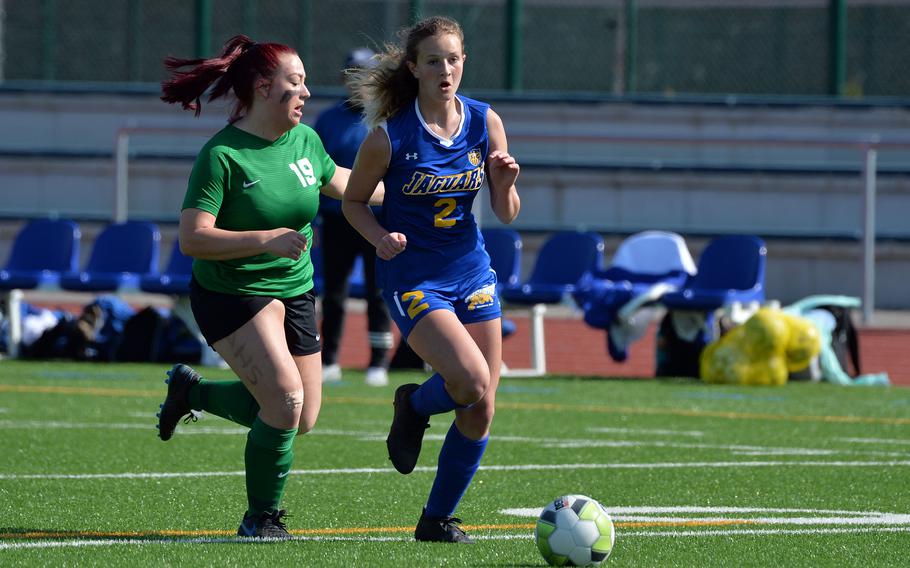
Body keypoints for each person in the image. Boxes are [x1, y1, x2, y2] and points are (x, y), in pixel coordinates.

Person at [156, 34, 381, 539]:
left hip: (295, 288)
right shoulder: (222, 156)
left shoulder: (304, 140)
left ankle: (193, 393)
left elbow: (344, 183)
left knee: (302, 419)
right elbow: (193, 238)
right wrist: (264, 239)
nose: (305, 93)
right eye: (294, 82)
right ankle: (261, 517)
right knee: (283, 401)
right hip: (231, 293)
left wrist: (417, 190)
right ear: (262, 88)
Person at [343, 16, 521, 543]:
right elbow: (353, 202)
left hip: (471, 269)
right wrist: (379, 236)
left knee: (482, 405)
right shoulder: (388, 137)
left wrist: (506, 185)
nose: (446, 70)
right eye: (434, 60)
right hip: (414, 276)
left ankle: (436, 519)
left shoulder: (485, 120)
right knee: (469, 381)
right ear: (414, 68)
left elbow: (506, 213)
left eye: (454, 59)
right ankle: (414, 405)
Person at [313, 48, 393, 387]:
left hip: (380, 218)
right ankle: (329, 359)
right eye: (352, 73)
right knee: (334, 292)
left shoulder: (392, 116)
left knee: (379, 292)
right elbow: (314, 173)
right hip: (336, 219)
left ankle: (378, 363)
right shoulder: (328, 120)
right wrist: (314, 218)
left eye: (365, 73)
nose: (357, 80)